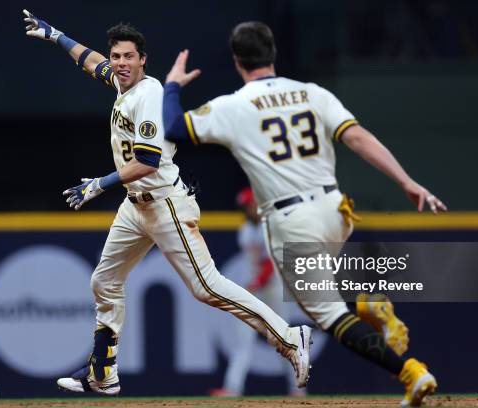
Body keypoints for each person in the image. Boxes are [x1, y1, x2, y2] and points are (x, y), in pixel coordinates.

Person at [22, 12, 312, 396]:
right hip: (134, 206)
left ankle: (291, 338)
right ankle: (102, 373)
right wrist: (57, 35)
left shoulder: (149, 94)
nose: (120, 63)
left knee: (207, 287)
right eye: (116, 56)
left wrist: (99, 184)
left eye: (128, 57)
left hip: (164, 203)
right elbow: (92, 61)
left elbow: (147, 161)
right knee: (104, 281)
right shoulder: (123, 84)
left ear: (144, 60)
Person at [162, 21, 447, 406]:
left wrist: (173, 85)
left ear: (236, 61)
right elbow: (358, 137)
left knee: (328, 316)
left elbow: (175, 129)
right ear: (273, 53)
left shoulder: (233, 105)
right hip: (337, 209)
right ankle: (367, 303)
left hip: (291, 219)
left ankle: (410, 372)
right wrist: (407, 182)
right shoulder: (313, 93)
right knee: (327, 283)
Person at [210, 187, 304, 397]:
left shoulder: (269, 227)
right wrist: (253, 284)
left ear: (257, 205)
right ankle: (232, 388)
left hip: (272, 288)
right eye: (243, 206)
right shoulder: (245, 229)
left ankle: (297, 388)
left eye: (248, 205)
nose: (245, 209)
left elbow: (271, 262)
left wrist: (256, 282)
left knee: (283, 339)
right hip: (255, 289)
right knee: (242, 340)